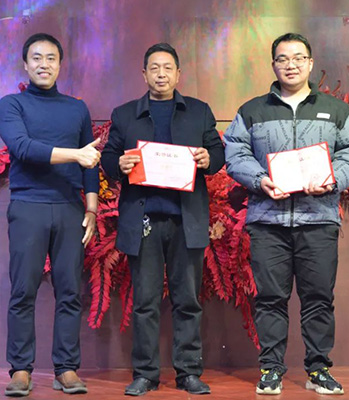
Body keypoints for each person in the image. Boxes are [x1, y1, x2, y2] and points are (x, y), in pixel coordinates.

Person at [224, 32, 349, 395]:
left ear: (310, 63)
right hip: (267, 220)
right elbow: (235, 153)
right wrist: (259, 180)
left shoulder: (336, 110)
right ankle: (271, 369)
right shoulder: (252, 110)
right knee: (270, 298)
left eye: (298, 58)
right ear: (274, 65)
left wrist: (332, 179)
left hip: (318, 219)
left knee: (318, 297)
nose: (291, 65)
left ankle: (318, 369)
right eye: (283, 59)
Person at [102, 43, 224, 396]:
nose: (161, 74)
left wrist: (208, 159)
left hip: (187, 220)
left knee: (188, 301)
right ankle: (145, 374)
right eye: (154, 68)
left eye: (167, 68)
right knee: (145, 302)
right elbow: (108, 159)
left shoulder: (199, 111)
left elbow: (218, 153)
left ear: (178, 74)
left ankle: (188, 373)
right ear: (144, 74)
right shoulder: (125, 114)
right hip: (144, 221)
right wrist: (118, 164)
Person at [0, 32, 101, 397]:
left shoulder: (76, 109)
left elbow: (91, 161)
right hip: (28, 206)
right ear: (26, 65)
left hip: (71, 209)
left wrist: (91, 207)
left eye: (51, 58)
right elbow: (23, 148)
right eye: (37, 58)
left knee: (70, 291)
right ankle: (21, 370)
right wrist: (75, 155)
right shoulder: (11, 105)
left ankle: (66, 369)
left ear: (60, 64)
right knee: (23, 290)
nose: (44, 64)